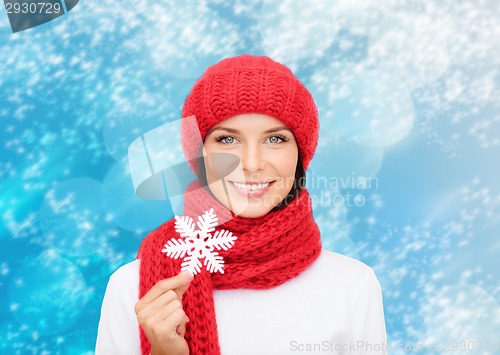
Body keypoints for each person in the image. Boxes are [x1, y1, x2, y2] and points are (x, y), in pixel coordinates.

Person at [96, 54, 387, 355]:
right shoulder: (135, 288)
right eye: (227, 140)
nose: (251, 163)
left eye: (275, 139)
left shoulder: (353, 285)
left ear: (301, 153)